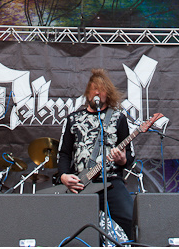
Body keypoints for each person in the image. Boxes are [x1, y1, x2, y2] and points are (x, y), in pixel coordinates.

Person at [57, 68, 134, 241]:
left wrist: (122, 160)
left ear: (108, 93)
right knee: (75, 229)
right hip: (81, 184)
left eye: (102, 89)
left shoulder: (118, 118)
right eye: (94, 89)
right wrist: (63, 176)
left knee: (131, 219)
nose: (97, 93)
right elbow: (64, 154)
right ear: (88, 93)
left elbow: (130, 155)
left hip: (111, 182)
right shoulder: (72, 119)